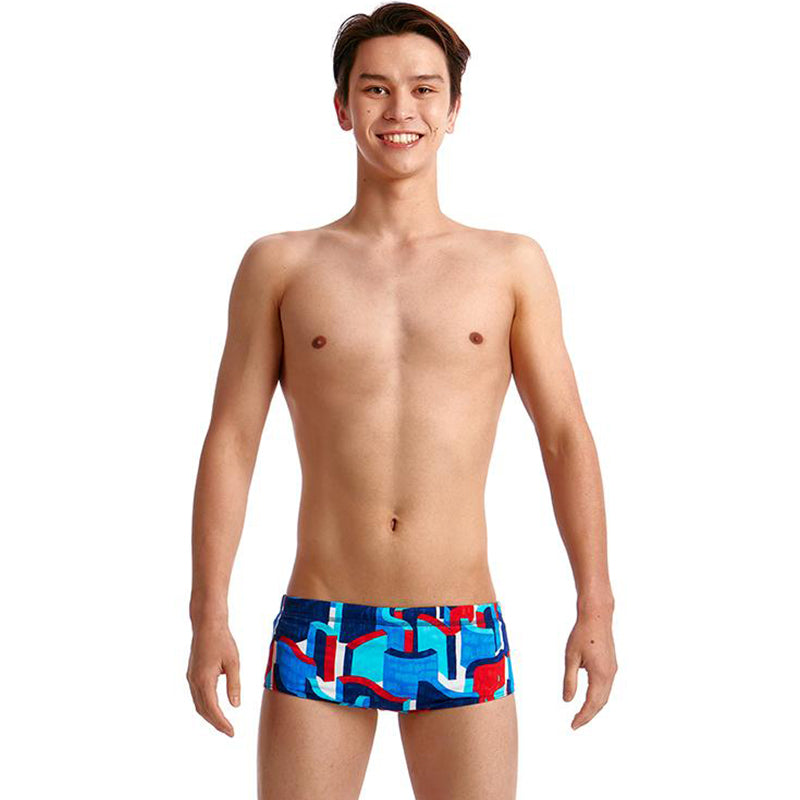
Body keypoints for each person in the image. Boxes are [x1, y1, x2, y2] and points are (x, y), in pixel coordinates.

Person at [186, 3, 617, 798]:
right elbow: (232, 442)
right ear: (342, 106)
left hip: (460, 623)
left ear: (454, 110)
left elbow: (564, 436)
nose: (400, 110)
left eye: (423, 89)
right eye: (375, 88)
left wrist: (597, 604)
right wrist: (207, 614)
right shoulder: (281, 265)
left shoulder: (511, 265)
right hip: (324, 623)